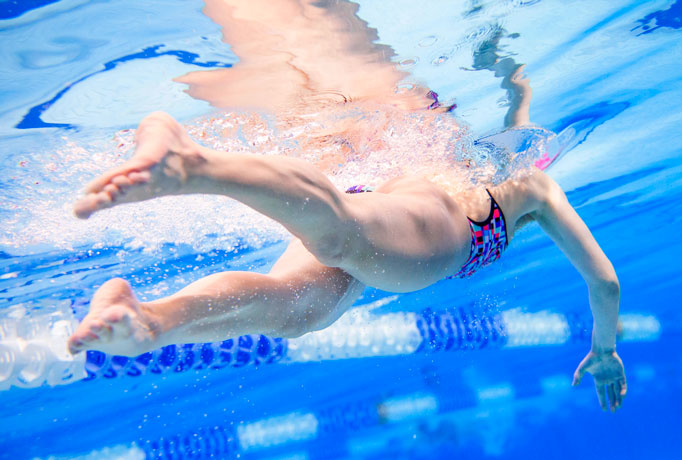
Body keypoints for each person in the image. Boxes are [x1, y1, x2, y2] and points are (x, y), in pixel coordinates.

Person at [66, 0, 626, 412]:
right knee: (337, 237)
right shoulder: (531, 188)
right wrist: (604, 349)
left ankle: (150, 321)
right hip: (439, 229)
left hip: (380, 206)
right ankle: (192, 165)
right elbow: (604, 285)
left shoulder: (502, 172)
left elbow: (522, 126)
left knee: (294, 313)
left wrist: (510, 77)